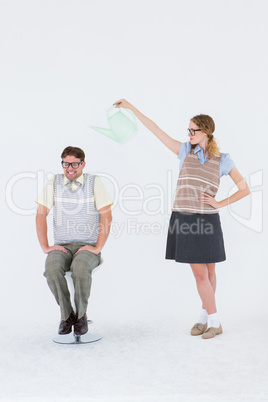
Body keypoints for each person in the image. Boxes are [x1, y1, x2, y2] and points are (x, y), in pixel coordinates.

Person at [113, 99, 250, 339]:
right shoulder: (185, 151)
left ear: (206, 132)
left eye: (193, 130)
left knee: (209, 272)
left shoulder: (223, 159)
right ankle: (210, 319)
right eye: (188, 130)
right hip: (184, 218)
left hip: (208, 220)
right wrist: (132, 108)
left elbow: (244, 188)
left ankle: (209, 319)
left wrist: (219, 203)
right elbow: (156, 130)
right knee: (199, 273)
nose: (188, 134)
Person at [36, 146, 113, 335]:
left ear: (82, 164)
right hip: (61, 245)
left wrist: (97, 247)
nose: (70, 168)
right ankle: (67, 315)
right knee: (51, 269)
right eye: (66, 163)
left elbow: (107, 216)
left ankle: (80, 316)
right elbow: (40, 214)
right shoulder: (54, 182)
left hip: (86, 246)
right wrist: (45, 246)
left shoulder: (94, 182)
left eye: (74, 164)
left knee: (80, 269)